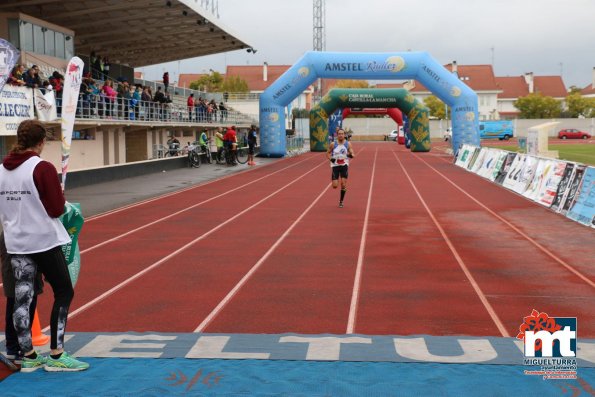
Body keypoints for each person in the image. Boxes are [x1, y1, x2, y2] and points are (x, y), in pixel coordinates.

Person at [0, 120, 89, 372]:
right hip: (43, 240)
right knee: (64, 291)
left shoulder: (1, 170)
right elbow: (56, 208)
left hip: (16, 243)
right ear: (41, 142)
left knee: (22, 297)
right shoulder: (42, 168)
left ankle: (27, 355)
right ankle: (57, 354)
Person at [1, 232, 44, 364]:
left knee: (28, 300)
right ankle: (16, 349)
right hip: (17, 241)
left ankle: (21, 348)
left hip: (25, 240)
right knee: (17, 302)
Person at [327, 128, 355, 208]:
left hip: (344, 165)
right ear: (337, 135)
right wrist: (330, 158)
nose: (341, 135)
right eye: (339, 134)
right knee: (335, 186)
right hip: (335, 165)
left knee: (343, 184)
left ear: (344, 135)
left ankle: (341, 201)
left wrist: (351, 155)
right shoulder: (333, 144)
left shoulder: (348, 144)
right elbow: (327, 153)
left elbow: (353, 154)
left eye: (342, 134)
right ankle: (335, 180)